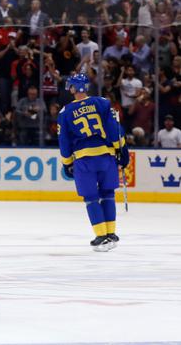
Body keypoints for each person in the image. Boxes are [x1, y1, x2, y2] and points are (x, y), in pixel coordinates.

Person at [57, 73, 128, 252]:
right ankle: (111, 233)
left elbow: (64, 142)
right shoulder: (102, 103)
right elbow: (114, 129)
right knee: (108, 194)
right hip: (106, 156)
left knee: (91, 198)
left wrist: (67, 162)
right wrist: (120, 149)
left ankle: (101, 235)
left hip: (84, 160)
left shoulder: (65, 113)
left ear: (74, 88)